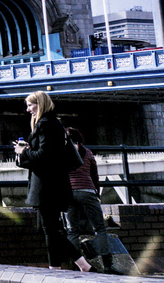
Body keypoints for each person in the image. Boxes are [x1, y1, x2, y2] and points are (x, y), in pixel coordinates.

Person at [14, 91, 91, 271]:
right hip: (52, 184)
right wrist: (25, 151)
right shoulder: (51, 123)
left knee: (51, 229)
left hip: (48, 186)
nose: (28, 110)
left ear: (40, 104)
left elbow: (44, 156)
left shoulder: (46, 124)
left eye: (30, 105)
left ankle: (66, 266)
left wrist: (23, 152)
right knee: (49, 228)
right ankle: (74, 265)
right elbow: (46, 155)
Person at [63, 126, 115, 272]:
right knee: (99, 228)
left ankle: (77, 265)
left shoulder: (62, 152)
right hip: (87, 191)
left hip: (69, 192)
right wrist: (96, 193)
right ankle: (108, 265)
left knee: (72, 230)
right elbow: (95, 176)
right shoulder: (88, 153)